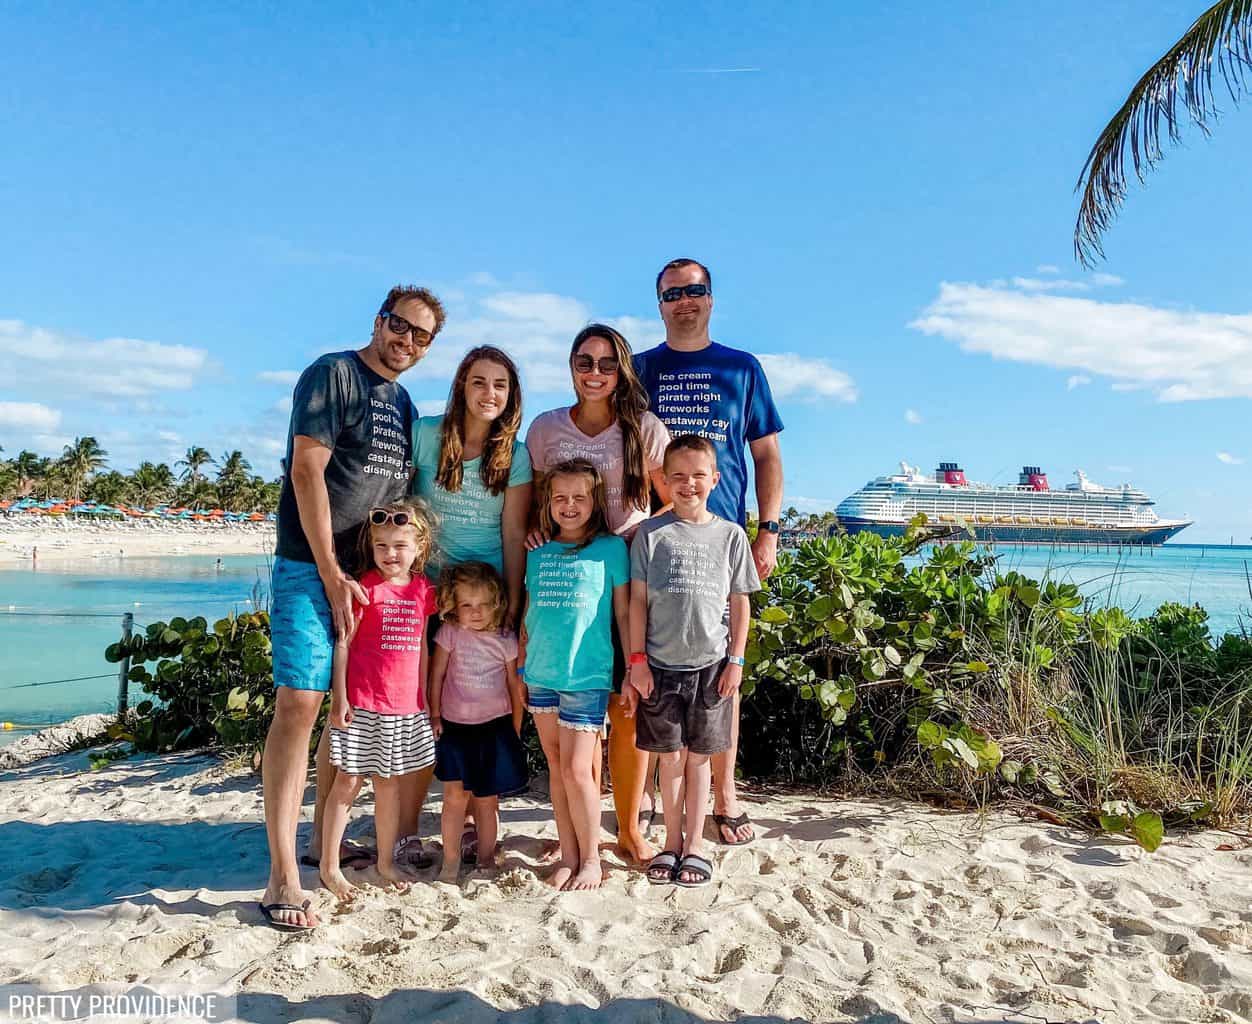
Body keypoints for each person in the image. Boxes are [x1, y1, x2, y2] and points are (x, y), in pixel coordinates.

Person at [259, 284, 444, 932]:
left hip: (364, 580)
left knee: (350, 709)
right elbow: (307, 472)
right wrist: (333, 573)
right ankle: (283, 875)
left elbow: (400, 503)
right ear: (380, 320)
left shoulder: (403, 401)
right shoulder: (333, 374)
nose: (408, 341)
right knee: (300, 704)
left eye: (422, 336)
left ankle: (316, 842)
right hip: (311, 567)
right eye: (401, 327)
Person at [633, 258, 784, 847]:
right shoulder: (641, 368)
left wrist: (767, 530)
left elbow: (767, 455)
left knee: (724, 671)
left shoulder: (740, 367)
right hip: (656, 538)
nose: (685, 301)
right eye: (673, 293)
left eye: (695, 291)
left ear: (711, 298)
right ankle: (647, 796)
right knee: (649, 665)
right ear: (660, 303)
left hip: (722, 541)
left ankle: (726, 795)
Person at [525, 324, 670, 864]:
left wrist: (633, 540)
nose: (594, 373)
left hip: (624, 578)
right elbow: (537, 501)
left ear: (621, 370)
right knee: (570, 714)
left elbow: (666, 502)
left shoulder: (645, 429)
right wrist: (533, 534)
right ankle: (580, 835)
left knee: (627, 704)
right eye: (584, 362)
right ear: (570, 366)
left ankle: (629, 829)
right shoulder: (545, 429)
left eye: (606, 364)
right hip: (567, 586)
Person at [411, 344, 532, 863]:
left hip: (483, 596)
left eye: (500, 385)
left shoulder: (518, 455)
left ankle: (474, 824)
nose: (489, 393)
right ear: (462, 384)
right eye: (479, 381)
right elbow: (407, 505)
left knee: (480, 703)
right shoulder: (425, 435)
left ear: (511, 396)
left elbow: (511, 534)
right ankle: (411, 824)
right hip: (431, 590)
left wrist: (513, 604)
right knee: (423, 702)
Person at [626, 435, 760, 886]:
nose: (688, 484)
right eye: (677, 476)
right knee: (669, 760)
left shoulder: (731, 536)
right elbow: (637, 602)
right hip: (660, 666)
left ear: (714, 480)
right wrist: (637, 660)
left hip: (712, 666)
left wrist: (736, 660)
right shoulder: (650, 534)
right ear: (663, 480)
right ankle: (670, 843)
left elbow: (740, 602)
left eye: (698, 476)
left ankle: (696, 845)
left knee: (700, 759)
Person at [320, 501, 438, 900]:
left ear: (419, 547)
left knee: (389, 787)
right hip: (364, 704)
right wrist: (339, 699)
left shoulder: (424, 591)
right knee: (347, 783)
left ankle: (385, 861)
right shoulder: (365, 589)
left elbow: (422, 646)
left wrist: (423, 700)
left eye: (400, 545)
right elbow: (343, 645)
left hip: (404, 707)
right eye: (382, 545)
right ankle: (329, 865)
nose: (390, 554)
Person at [522, 459, 630, 891]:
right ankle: (568, 854)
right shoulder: (536, 549)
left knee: (578, 771)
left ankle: (591, 859)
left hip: (586, 674)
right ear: (548, 502)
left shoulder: (611, 549)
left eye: (579, 497)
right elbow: (529, 615)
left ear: (595, 501)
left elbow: (622, 612)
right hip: (540, 672)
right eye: (560, 497)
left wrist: (632, 665)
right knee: (554, 764)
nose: (569, 505)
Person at [428, 561, 528, 883]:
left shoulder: (504, 637)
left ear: (496, 602)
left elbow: (514, 684)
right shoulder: (450, 632)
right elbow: (437, 675)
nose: (476, 612)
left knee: (487, 800)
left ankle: (486, 858)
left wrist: (515, 723)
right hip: (455, 726)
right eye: (467, 605)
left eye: (484, 604)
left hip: (495, 725)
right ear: (454, 606)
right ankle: (451, 860)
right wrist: (434, 713)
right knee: (454, 799)